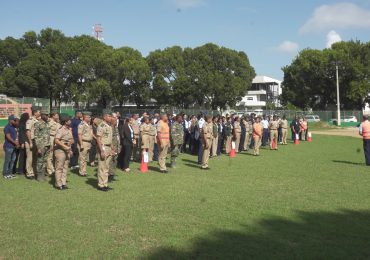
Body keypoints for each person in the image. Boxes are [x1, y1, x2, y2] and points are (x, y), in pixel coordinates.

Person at [54, 114, 73, 190]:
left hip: (67, 150)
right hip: (60, 150)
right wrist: (65, 146)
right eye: (69, 120)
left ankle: (63, 183)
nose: (70, 121)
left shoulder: (68, 129)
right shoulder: (60, 129)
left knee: (65, 167)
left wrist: (71, 142)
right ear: (65, 121)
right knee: (59, 167)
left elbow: (71, 139)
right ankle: (58, 184)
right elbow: (56, 140)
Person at [96, 110, 113, 191]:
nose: (111, 118)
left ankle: (105, 184)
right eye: (109, 116)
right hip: (103, 147)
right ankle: (101, 185)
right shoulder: (101, 126)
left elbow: (109, 139)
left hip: (108, 147)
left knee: (106, 167)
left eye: (111, 116)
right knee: (102, 167)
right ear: (104, 117)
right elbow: (98, 139)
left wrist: (112, 148)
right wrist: (101, 151)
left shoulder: (108, 126)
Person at [34, 110, 51, 181]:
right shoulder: (37, 124)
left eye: (48, 115)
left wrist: (50, 145)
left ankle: (43, 175)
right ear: (42, 115)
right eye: (46, 115)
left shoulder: (47, 124)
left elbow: (48, 135)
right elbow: (36, 136)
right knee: (39, 161)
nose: (47, 116)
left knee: (44, 161)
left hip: (47, 145)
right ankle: (39, 176)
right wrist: (38, 148)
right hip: (41, 146)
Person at [25, 107, 41, 180]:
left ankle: (34, 171)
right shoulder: (30, 120)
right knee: (30, 158)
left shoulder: (37, 120)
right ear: (35, 113)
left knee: (35, 157)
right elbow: (28, 131)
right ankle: (29, 173)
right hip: (30, 141)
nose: (39, 113)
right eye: (38, 112)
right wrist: (30, 142)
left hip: (36, 141)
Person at [3, 115, 19, 179]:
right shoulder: (7, 127)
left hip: (14, 146)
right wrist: (15, 143)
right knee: (8, 160)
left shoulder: (14, 127)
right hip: (8, 146)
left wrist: (17, 143)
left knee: (13, 160)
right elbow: (8, 137)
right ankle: (5, 174)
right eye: (15, 120)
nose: (16, 121)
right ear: (10, 120)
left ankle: (10, 173)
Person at [77, 112, 93, 177]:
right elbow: (79, 134)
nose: (90, 118)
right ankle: (81, 172)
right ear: (85, 117)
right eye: (88, 117)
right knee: (82, 158)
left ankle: (84, 170)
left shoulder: (88, 124)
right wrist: (81, 144)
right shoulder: (82, 124)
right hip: (83, 142)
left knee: (85, 158)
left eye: (90, 117)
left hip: (88, 143)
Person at [46, 112, 60, 176]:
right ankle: (49, 169)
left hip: (56, 138)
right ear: (53, 116)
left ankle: (53, 168)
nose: (58, 116)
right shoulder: (49, 122)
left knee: (55, 155)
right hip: (51, 138)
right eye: (57, 115)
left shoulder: (57, 122)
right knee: (50, 155)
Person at [109, 113, 120, 181]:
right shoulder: (109, 127)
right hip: (111, 147)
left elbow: (117, 137)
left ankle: (112, 173)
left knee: (114, 160)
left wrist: (119, 146)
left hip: (116, 146)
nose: (116, 118)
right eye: (114, 117)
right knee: (110, 161)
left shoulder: (115, 126)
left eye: (116, 117)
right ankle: (109, 175)